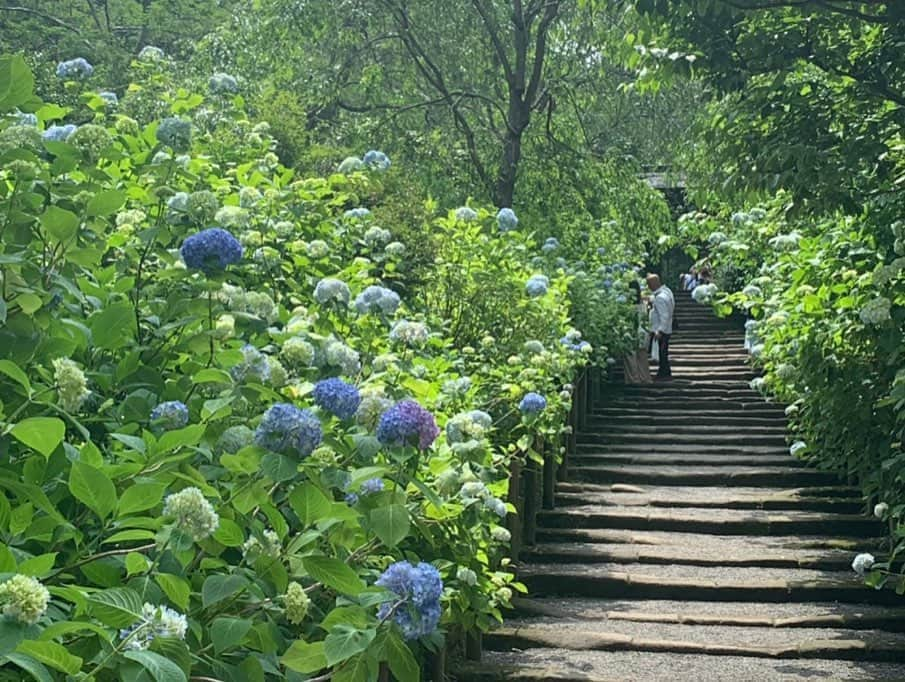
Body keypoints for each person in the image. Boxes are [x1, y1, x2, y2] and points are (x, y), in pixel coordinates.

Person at [646, 273, 675, 381]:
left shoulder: (660, 298)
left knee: (662, 352)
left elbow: (664, 315)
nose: (648, 287)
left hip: (661, 329)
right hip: (667, 328)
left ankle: (664, 373)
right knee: (663, 352)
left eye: (649, 284)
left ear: (653, 284)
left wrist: (659, 330)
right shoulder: (667, 292)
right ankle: (664, 371)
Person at [623, 281, 653, 384]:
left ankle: (633, 378)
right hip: (643, 331)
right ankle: (645, 377)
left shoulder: (628, 305)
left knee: (630, 356)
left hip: (631, 331)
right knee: (642, 357)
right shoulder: (643, 304)